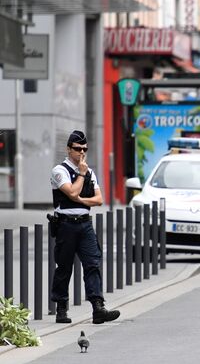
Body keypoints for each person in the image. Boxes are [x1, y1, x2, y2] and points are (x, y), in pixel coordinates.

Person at [50, 130, 120, 324]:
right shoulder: (59, 171)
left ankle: (98, 307)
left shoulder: (90, 172)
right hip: (65, 224)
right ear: (68, 149)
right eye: (77, 149)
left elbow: (99, 200)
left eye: (84, 149)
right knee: (64, 268)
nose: (81, 152)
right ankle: (61, 308)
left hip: (85, 224)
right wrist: (80, 174)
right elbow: (71, 193)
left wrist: (81, 199)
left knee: (93, 264)